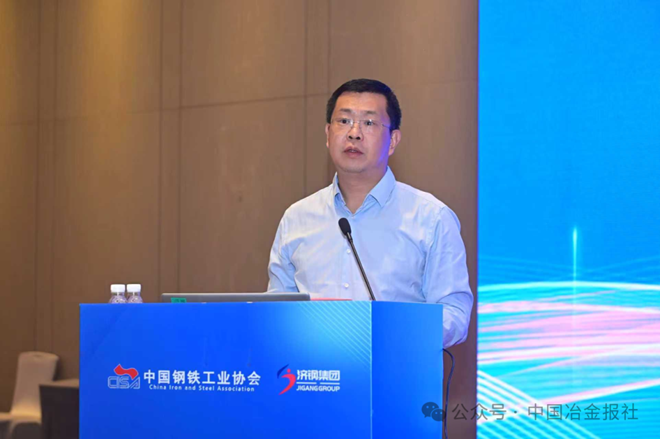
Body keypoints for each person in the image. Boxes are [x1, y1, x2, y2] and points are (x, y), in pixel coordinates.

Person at [267, 78, 473, 347]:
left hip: (396, 368)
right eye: (344, 121)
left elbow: (455, 314)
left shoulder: (431, 218)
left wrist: (396, 333)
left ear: (393, 140)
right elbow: (275, 310)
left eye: (369, 123)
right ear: (328, 134)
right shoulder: (297, 218)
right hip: (314, 369)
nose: (354, 133)